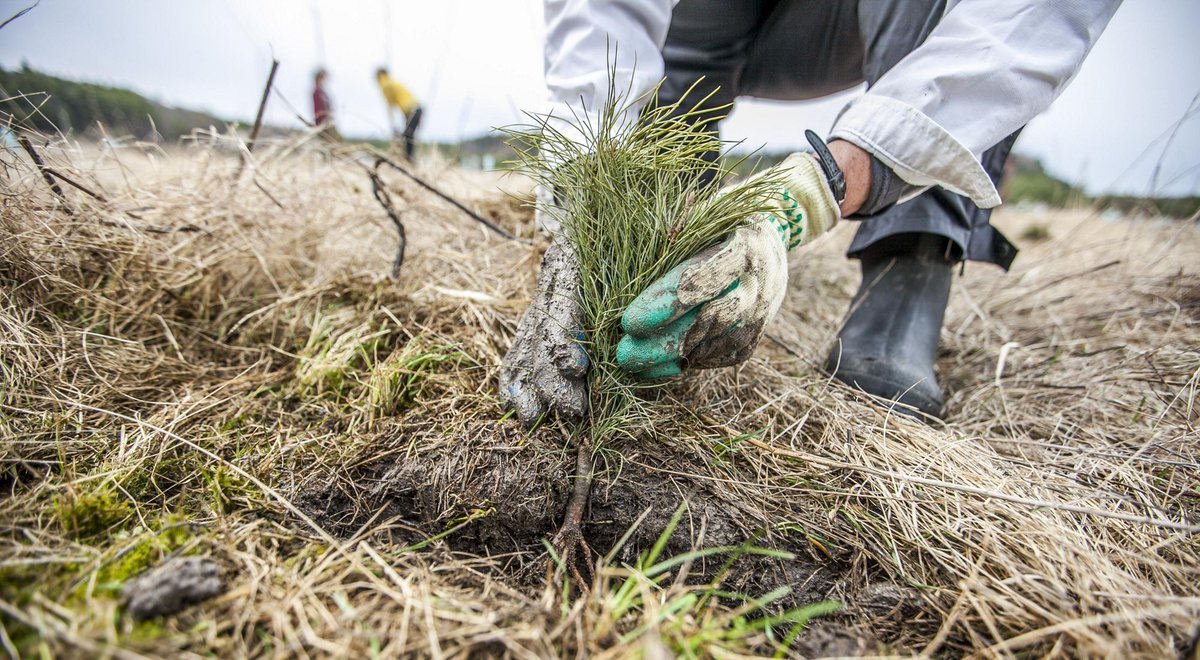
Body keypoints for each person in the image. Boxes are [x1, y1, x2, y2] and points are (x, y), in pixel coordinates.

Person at [500, 0, 1122, 427]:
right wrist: (584, 184)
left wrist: (808, 196)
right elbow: (602, 19)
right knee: (661, 71)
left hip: (863, 23)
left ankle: (909, 262)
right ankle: (657, 247)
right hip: (722, 21)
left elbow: (1018, 26)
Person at [375, 67, 423, 160]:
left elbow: (389, 106)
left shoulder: (385, 85)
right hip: (416, 109)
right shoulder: (393, 82)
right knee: (409, 135)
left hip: (411, 110)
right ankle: (409, 158)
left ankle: (408, 159)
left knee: (407, 136)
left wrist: (392, 125)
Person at [311, 68, 340, 141]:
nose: (324, 81)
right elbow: (318, 111)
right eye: (323, 78)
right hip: (323, 123)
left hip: (328, 121)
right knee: (329, 140)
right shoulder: (317, 92)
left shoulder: (322, 92)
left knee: (335, 139)